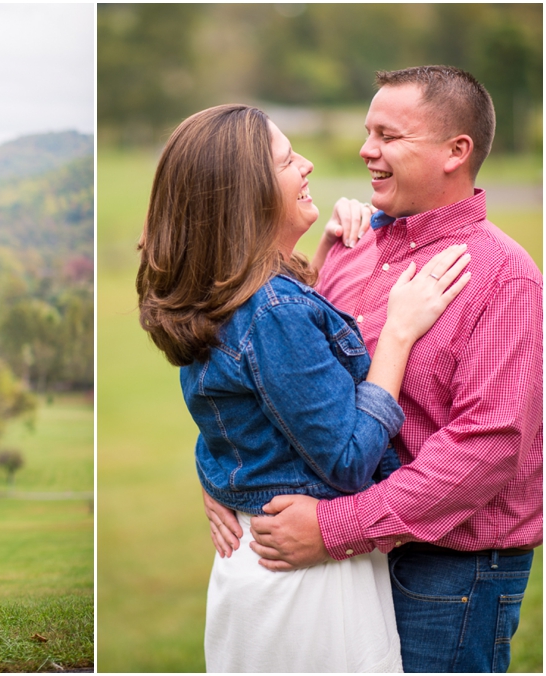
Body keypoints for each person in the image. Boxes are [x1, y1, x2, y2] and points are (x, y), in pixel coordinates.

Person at [204, 66, 543, 673]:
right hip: (352, 562)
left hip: (447, 571)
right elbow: (289, 390)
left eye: (388, 135)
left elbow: (489, 447)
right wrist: (224, 473)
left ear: (455, 152)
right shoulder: (352, 251)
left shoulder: (504, 276)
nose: (366, 150)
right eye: (367, 131)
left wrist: (336, 527)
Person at [137, 102, 472, 672]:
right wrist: (398, 333)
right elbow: (344, 459)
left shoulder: (233, 296)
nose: (309, 165)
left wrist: (324, 255)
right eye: (289, 160)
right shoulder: (273, 312)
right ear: (248, 195)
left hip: (260, 568)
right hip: (308, 585)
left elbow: (247, 402)